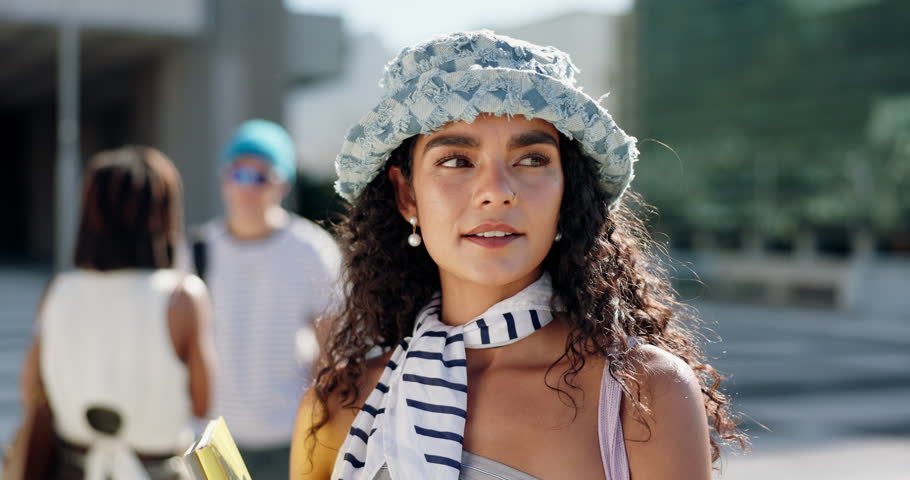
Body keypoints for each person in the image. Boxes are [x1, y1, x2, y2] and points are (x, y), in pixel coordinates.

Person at [291, 31, 748, 480]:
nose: (496, 192)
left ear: (568, 191)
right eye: (456, 160)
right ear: (406, 195)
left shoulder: (644, 393)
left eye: (531, 159)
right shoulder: (338, 403)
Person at [19, 146, 213, 479]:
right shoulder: (182, 297)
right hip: (157, 470)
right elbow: (201, 403)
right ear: (164, 212)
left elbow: (31, 389)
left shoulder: (58, 290)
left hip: (71, 467)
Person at [193, 119, 341, 478]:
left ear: (282, 182)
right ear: (225, 178)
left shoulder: (312, 250)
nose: (248, 187)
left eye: (261, 176)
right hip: (213, 436)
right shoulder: (196, 248)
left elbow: (332, 349)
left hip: (289, 434)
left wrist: (323, 427)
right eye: (239, 174)